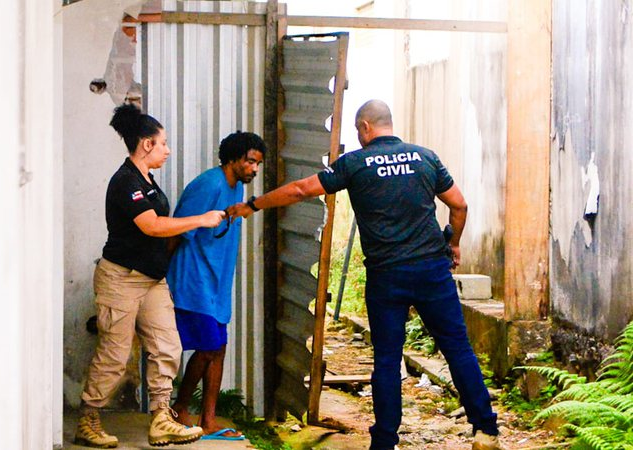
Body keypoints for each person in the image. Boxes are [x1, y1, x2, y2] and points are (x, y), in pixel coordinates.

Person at [227, 100, 503, 450]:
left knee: (387, 358)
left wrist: (252, 205)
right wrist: (456, 244)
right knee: (457, 349)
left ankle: (385, 442)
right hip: (432, 270)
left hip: (387, 276)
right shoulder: (425, 157)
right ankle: (486, 432)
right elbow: (459, 205)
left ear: (364, 128)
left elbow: (300, 190)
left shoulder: (355, 164)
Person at [76, 104, 226, 448]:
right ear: (146, 144)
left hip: (152, 281)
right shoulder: (126, 182)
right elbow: (152, 225)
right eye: (163, 143)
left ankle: (161, 418)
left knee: (167, 347)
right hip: (121, 280)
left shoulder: (147, 180)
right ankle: (88, 419)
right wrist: (200, 220)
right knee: (114, 355)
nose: (167, 150)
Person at [167, 131, 266, 440]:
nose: (254, 169)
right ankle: (180, 410)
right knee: (208, 348)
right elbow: (177, 230)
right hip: (194, 280)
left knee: (218, 349)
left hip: (216, 283)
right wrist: (159, 275)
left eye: (258, 164)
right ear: (233, 159)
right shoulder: (208, 185)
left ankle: (207, 420)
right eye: (250, 162)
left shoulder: (235, 189)